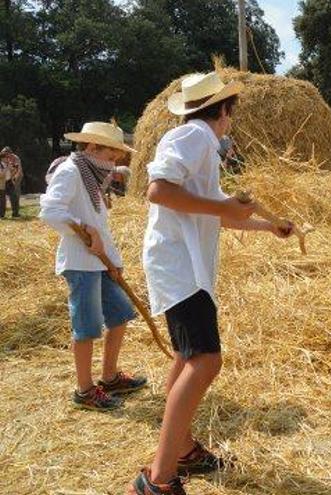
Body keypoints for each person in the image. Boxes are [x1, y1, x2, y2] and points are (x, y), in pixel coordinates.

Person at [130, 72, 295, 495]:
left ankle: (182, 451)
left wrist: (264, 226)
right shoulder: (197, 137)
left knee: (188, 358)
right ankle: (158, 479)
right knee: (205, 361)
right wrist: (222, 204)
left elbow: (213, 211)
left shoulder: (197, 141)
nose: (229, 122)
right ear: (221, 111)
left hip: (182, 265)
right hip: (179, 266)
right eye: (229, 113)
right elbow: (158, 190)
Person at [38, 122, 147, 413]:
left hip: (100, 264)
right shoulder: (71, 171)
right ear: (92, 147)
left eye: (115, 160)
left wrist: (116, 264)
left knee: (121, 314)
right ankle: (85, 390)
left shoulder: (92, 179)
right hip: (80, 263)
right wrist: (84, 230)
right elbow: (50, 210)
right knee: (86, 327)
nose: (112, 165)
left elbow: (100, 227)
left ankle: (109, 377)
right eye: (110, 158)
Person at [0, 147, 23, 218]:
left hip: (9, 181)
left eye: (8, 157)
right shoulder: (1, 165)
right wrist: (7, 168)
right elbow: (1, 175)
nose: (8, 159)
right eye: (6, 158)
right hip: (1, 183)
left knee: (14, 196)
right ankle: (1, 215)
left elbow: (14, 173)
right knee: (2, 200)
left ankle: (15, 213)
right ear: (2, 158)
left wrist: (14, 170)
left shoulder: (12, 161)